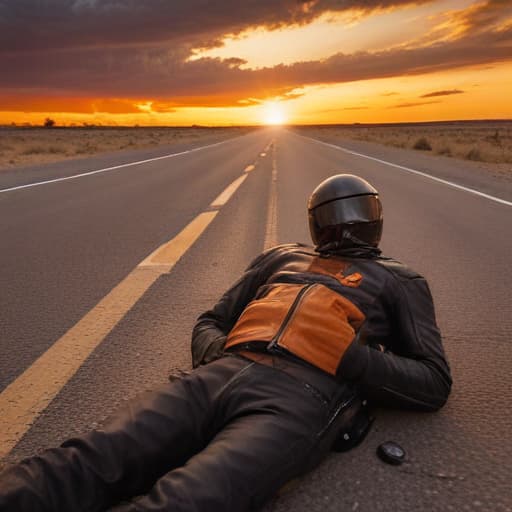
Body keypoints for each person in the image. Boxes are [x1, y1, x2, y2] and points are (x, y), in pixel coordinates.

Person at [0, 174, 452, 512]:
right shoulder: (283, 257)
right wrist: (221, 353)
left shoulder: (399, 281)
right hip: (221, 372)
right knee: (87, 459)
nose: (344, 224)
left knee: (190, 499)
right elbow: (212, 320)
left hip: (301, 396)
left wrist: (349, 358)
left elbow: (433, 382)